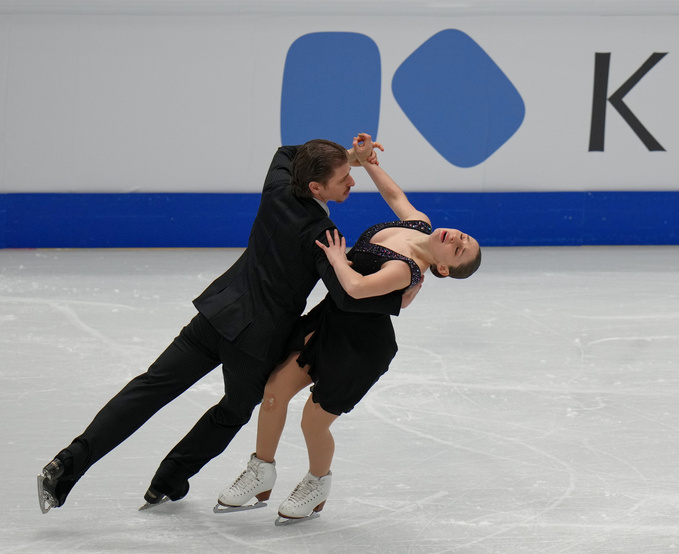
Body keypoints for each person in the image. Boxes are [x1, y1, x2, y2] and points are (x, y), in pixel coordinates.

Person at [36, 135, 405, 514]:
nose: (352, 181)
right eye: (344, 176)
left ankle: (68, 463)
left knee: (150, 388)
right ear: (316, 187)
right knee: (232, 410)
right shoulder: (324, 236)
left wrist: (348, 155)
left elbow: (286, 152)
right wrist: (402, 286)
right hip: (257, 341)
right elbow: (347, 298)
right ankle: (170, 477)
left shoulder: (279, 187)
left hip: (217, 314)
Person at [215, 143, 481, 523]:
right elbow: (395, 195)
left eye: (459, 251)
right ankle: (261, 470)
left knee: (313, 420)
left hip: (361, 347)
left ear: (442, 270)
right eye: (463, 238)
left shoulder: (410, 270)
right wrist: (370, 163)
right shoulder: (417, 223)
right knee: (274, 393)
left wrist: (339, 258)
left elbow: (355, 288)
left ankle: (318, 482)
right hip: (329, 321)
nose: (455, 239)